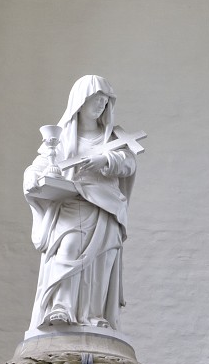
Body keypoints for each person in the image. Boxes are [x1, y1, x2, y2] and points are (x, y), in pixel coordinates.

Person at [23, 75, 137, 331]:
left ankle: (94, 315)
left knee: (101, 261)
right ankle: (60, 307)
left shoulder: (113, 136)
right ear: (80, 102)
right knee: (68, 247)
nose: (100, 105)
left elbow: (129, 162)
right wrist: (32, 177)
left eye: (105, 101)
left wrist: (106, 161)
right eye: (96, 99)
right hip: (73, 205)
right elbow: (41, 165)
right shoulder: (62, 138)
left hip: (105, 209)